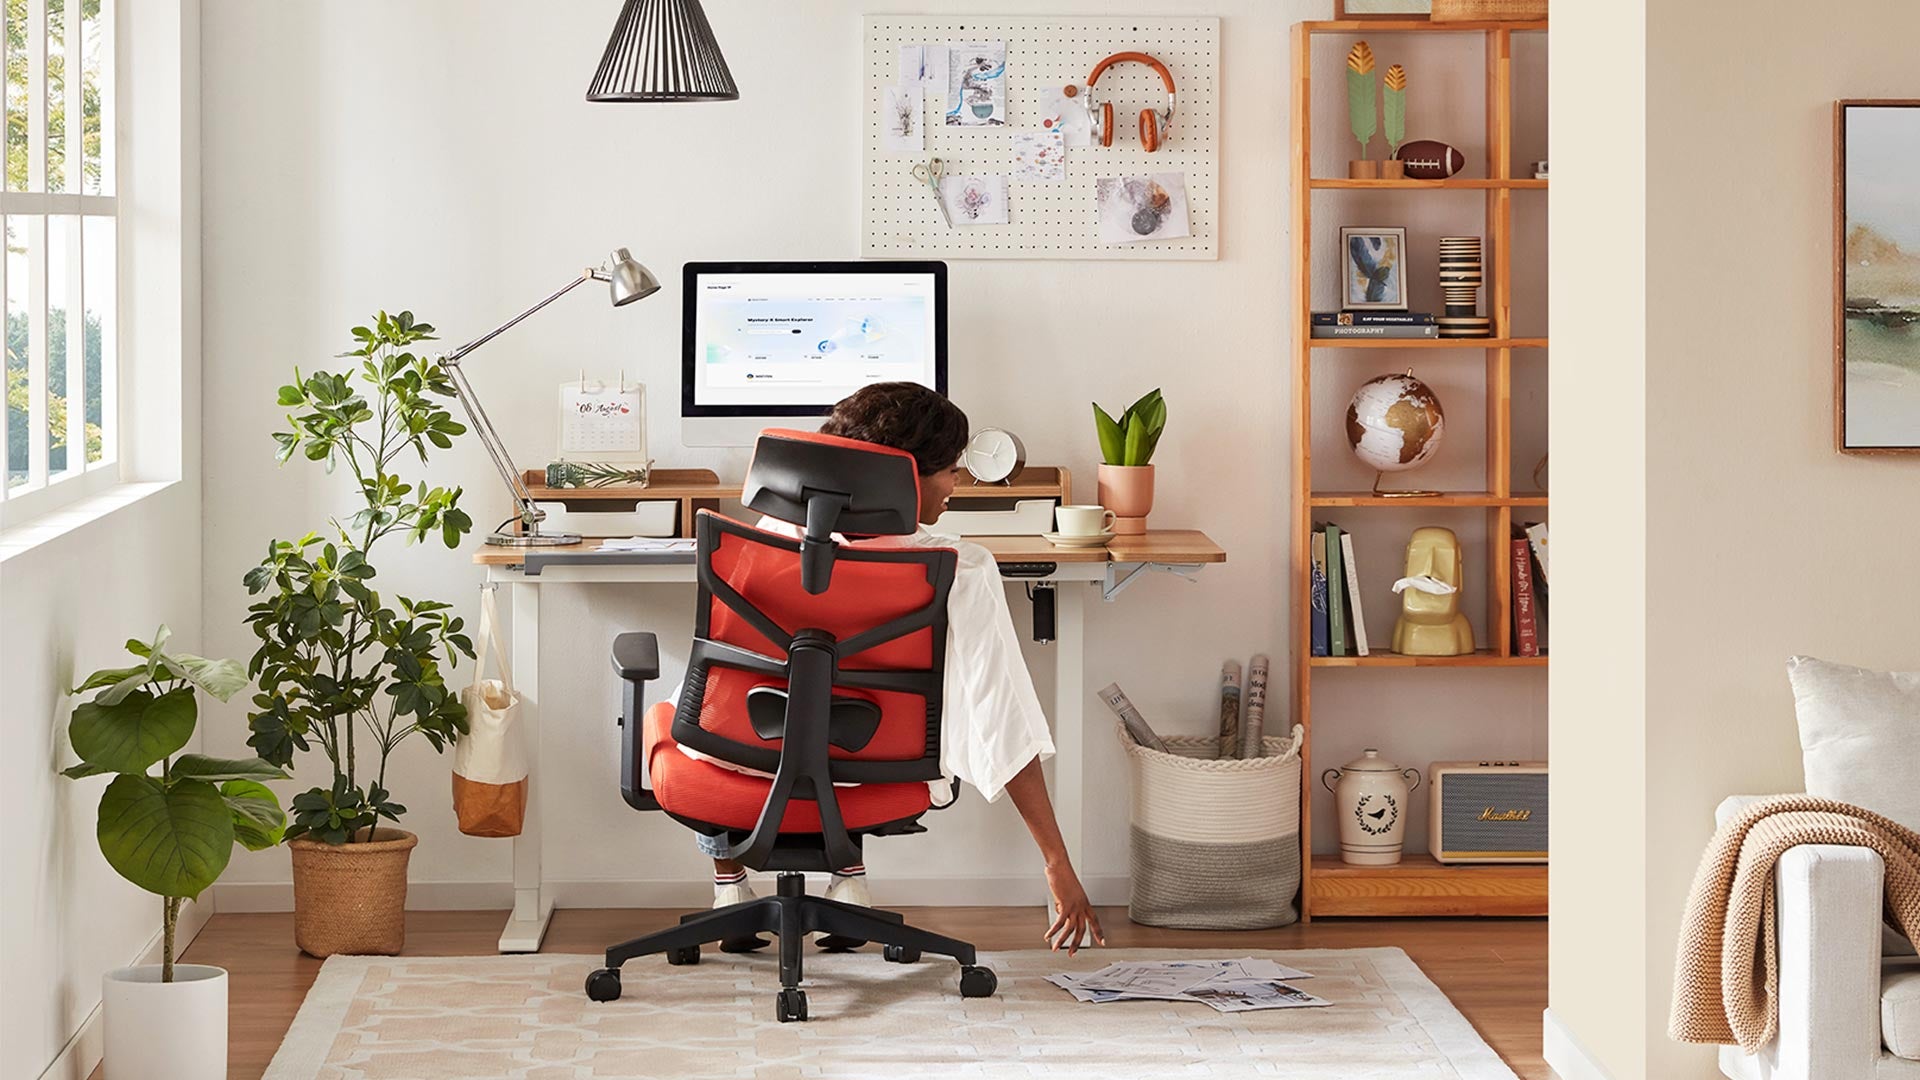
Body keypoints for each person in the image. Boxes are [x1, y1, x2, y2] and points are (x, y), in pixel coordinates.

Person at [687, 381, 1105, 956]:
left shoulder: (759, 540)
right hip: (876, 768)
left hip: (739, 752)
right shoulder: (956, 565)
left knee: (689, 708)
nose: (957, 482)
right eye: (951, 469)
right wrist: (1057, 862)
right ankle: (849, 880)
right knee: (858, 714)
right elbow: (1000, 717)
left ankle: (730, 887)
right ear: (907, 477)